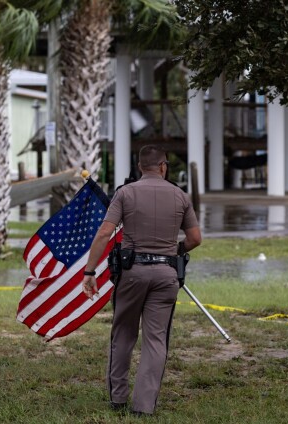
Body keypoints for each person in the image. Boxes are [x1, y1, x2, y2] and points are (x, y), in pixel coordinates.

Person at [81, 145, 202, 416]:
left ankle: (118, 399)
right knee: (156, 340)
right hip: (166, 276)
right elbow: (195, 239)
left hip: (132, 273)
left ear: (139, 167)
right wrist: (174, 253)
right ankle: (144, 407)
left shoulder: (125, 193)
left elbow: (104, 233)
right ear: (163, 166)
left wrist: (89, 272)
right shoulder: (180, 196)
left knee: (123, 333)